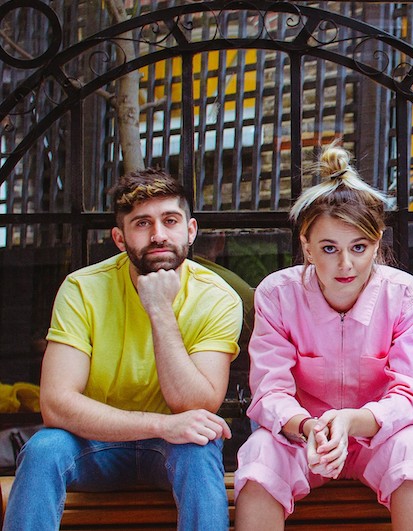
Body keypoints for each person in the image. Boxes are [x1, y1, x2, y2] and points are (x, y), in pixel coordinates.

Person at [2, 168, 243, 531]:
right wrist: (161, 424)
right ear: (119, 237)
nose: (158, 235)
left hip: (175, 449)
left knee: (198, 448)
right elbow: (56, 404)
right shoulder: (82, 289)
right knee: (43, 448)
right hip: (92, 444)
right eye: (142, 223)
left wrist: (160, 311)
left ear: (190, 230)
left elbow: (196, 404)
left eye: (170, 220)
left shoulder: (218, 297)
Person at [233, 142, 413, 531]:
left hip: (377, 439)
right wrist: (309, 427)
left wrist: (352, 422)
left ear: (377, 243)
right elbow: (269, 392)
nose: (346, 264)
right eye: (329, 248)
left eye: (359, 247)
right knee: (260, 452)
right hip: (303, 440)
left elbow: (411, 395)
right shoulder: (277, 295)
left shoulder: (404, 295)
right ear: (307, 247)